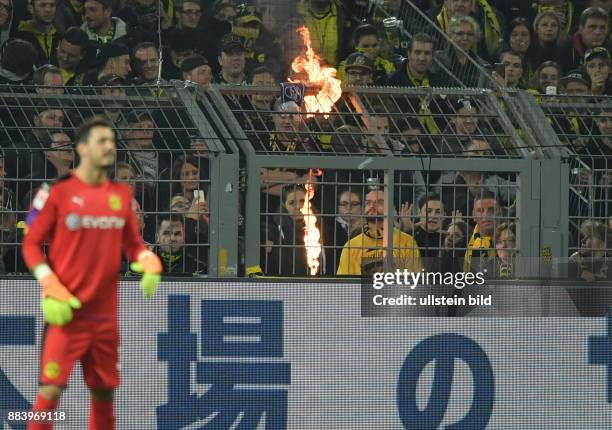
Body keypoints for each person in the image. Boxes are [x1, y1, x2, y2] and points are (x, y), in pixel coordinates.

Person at [21, 116, 162, 430]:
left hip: (104, 319)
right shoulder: (55, 191)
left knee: (104, 396)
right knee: (50, 391)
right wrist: (49, 282)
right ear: (82, 148)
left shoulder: (121, 196)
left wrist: (148, 260)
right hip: (67, 312)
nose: (110, 146)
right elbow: (30, 244)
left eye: (112, 140)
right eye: (102, 141)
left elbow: (134, 246)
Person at [337, 189, 422, 275]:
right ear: (364, 209)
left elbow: (413, 281)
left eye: (379, 202)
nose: (372, 206)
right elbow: (345, 284)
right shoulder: (351, 246)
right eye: (368, 203)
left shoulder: (407, 242)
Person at [464, 190, 502, 273]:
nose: (486, 215)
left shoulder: (512, 241)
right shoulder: (463, 243)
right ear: (473, 215)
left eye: (491, 210)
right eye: (480, 210)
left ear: (500, 212)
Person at [15, 0, 59, 65]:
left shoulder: (60, 38)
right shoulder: (19, 40)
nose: (48, 10)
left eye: (52, 5)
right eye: (43, 5)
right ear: (31, 8)